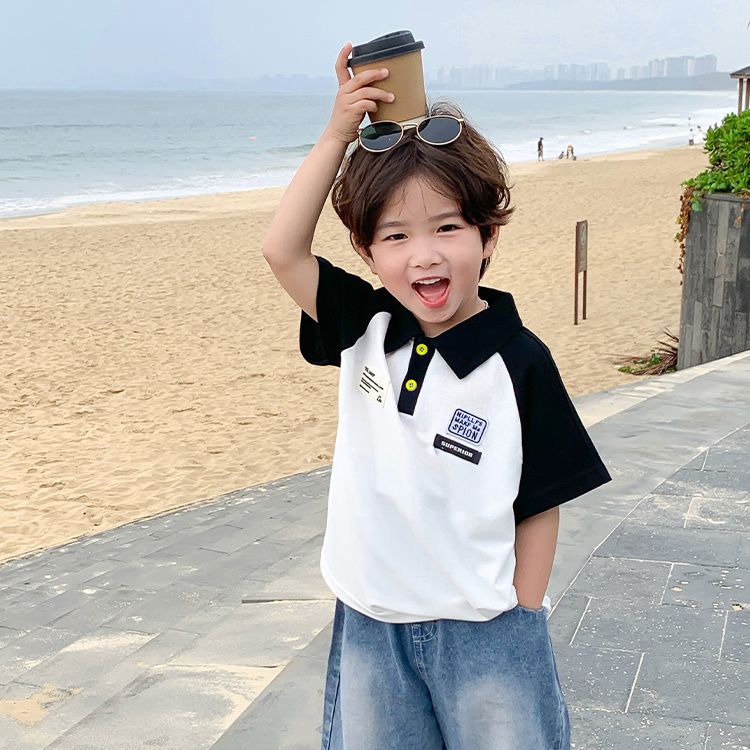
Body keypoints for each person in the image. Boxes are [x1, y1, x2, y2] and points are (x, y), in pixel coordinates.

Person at [262, 41, 611, 749]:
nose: (424, 254)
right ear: (367, 252)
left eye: (448, 227)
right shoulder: (364, 325)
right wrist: (336, 135)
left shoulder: (519, 360)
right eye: (395, 236)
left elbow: (542, 499)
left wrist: (523, 611)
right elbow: (282, 250)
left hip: (486, 629)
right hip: (370, 620)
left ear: (487, 237)